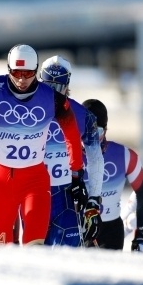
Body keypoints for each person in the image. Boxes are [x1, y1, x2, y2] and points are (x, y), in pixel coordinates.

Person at [0, 44, 87, 245]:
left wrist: (76, 173)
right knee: (1, 248)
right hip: (0, 184)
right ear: (8, 69)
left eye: (28, 73)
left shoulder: (52, 98)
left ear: (36, 71)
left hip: (35, 183)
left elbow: (72, 135)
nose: (22, 79)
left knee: (35, 249)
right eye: (17, 72)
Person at [37, 56, 104, 248]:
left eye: (58, 88)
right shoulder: (27, 109)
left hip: (66, 195)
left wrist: (93, 202)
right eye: (48, 86)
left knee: (67, 254)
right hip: (33, 192)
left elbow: (96, 159)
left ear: (67, 86)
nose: (53, 94)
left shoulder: (84, 116)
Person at [83, 99, 143, 251]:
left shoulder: (125, 156)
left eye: (97, 132)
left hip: (110, 230)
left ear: (105, 130)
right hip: (79, 228)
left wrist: (140, 236)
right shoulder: (68, 154)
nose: (90, 138)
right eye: (85, 130)